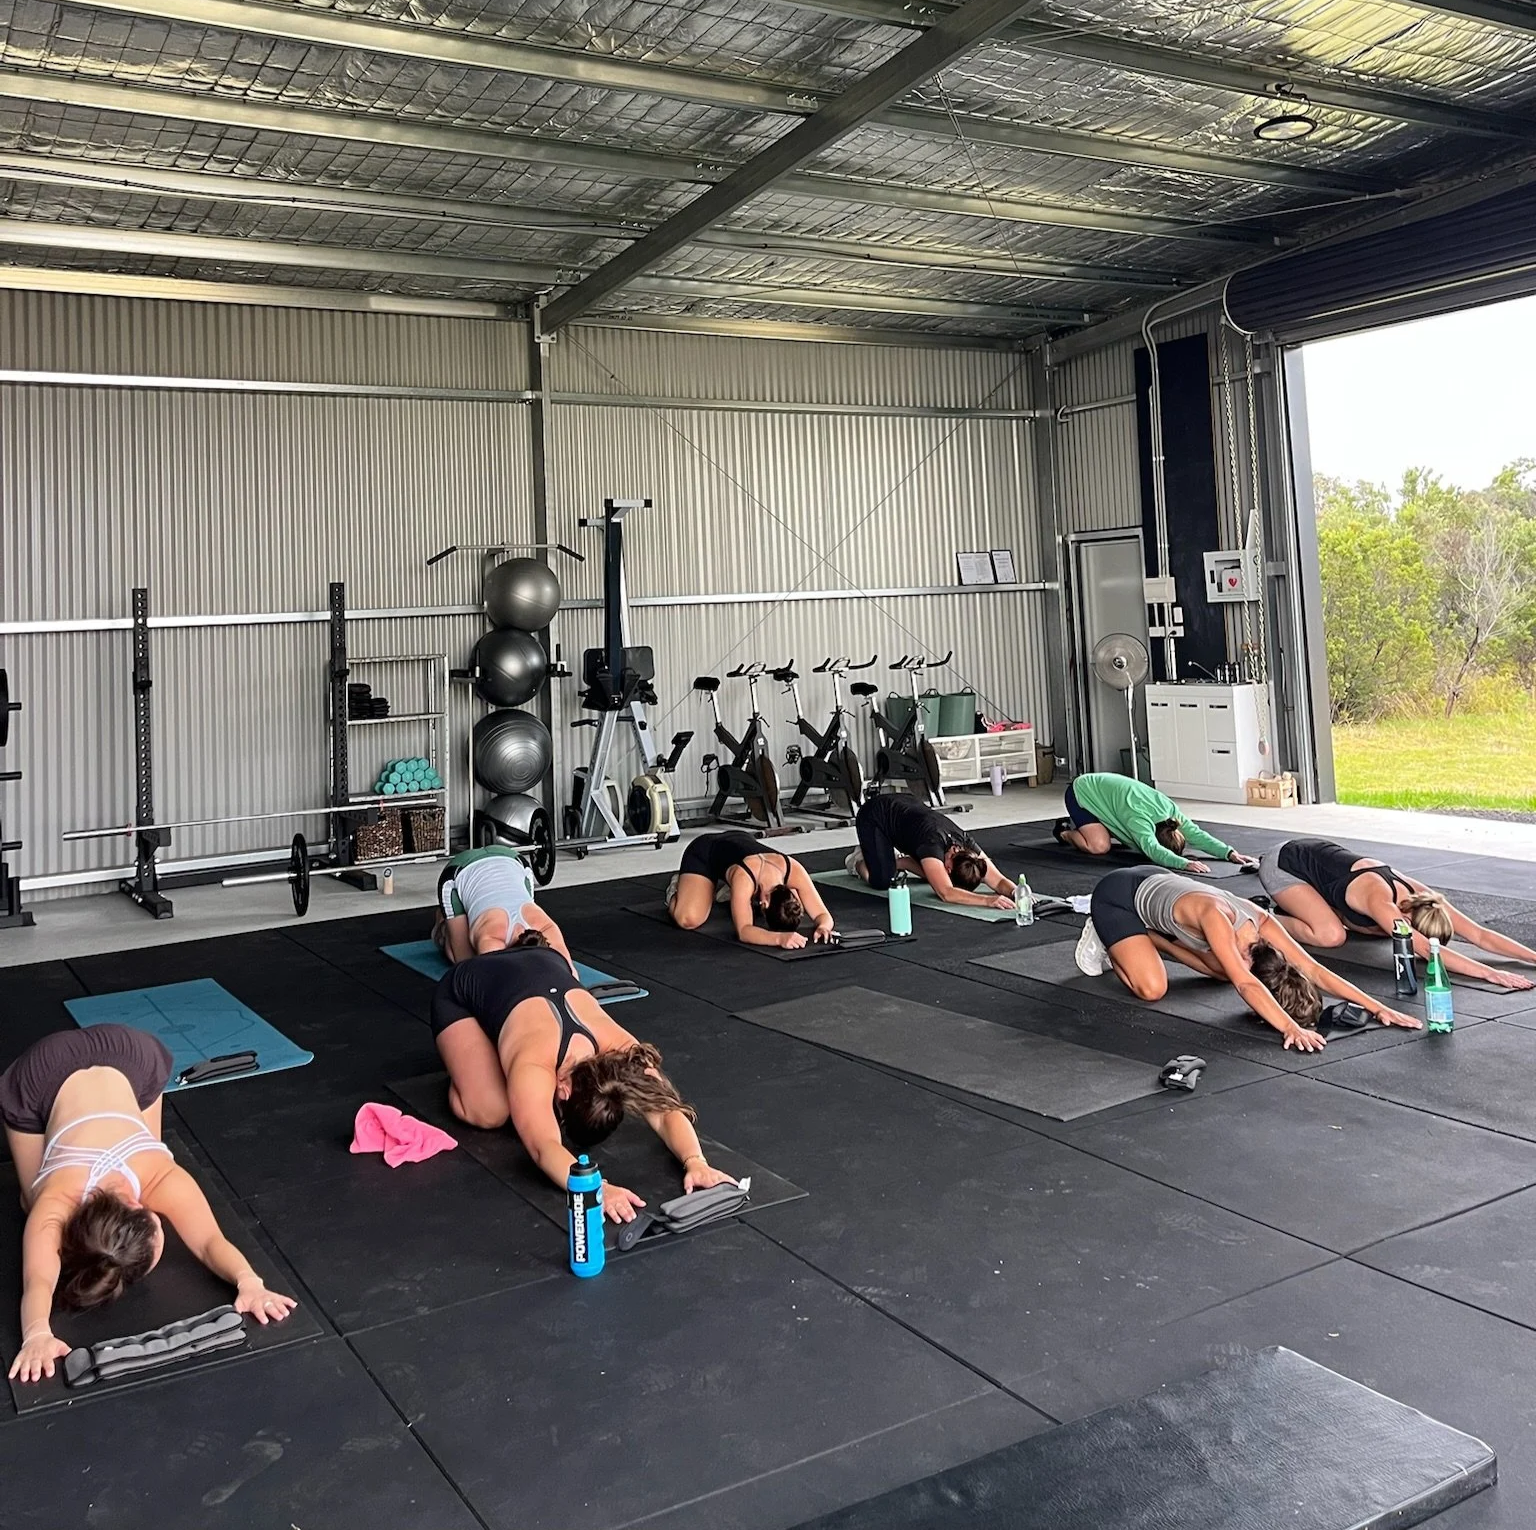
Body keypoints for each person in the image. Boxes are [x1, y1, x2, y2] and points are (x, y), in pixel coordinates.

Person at [2, 1025, 297, 1384]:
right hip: (46, 1074)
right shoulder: (56, 1199)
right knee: (27, 1201)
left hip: (124, 1057)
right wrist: (35, 1335)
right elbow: (38, 1279)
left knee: (40, 1204)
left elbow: (209, 1243)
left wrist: (250, 1282)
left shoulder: (156, 1175)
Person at [432, 936, 736, 1222]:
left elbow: (665, 1110)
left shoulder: (621, 1053)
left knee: (520, 1100)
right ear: (562, 1090)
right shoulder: (533, 1063)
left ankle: (492, 1044)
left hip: (544, 960)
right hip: (464, 986)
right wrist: (595, 1189)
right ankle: (471, 1057)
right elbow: (543, 1146)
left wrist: (696, 1162)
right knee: (490, 1111)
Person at [1076, 866, 1421, 1051]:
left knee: (1225, 970)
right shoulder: (1216, 920)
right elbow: (1244, 982)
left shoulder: (1262, 924)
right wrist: (1290, 1027)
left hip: (1158, 885)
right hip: (1119, 896)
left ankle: (1153, 939)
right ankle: (1109, 933)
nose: (1243, 966)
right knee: (1151, 989)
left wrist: (1377, 1007)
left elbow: (1312, 968)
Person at [1258, 837, 1536, 992]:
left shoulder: (1425, 899)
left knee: (1375, 929)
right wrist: (1491, 974)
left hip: (1316, 859)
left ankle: (1315, 906)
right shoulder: (1381, 901)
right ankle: (1263, 912)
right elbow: (1427, 949)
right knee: (1330, 935)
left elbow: (1480, 934)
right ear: (1412, 920)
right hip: (1283, 864)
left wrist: (1532, 957)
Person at [1055, 773, 1258, 875]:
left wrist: (1229, 853)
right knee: (1099, 846)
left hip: (1108, 794)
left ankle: (1104, 825)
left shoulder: (1170, 813)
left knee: (1128, 840)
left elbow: (1197, 834)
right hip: (1081, 792)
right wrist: (1183, 863)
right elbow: (1152, 849)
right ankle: (1065, 832)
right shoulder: (1138, 819)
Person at [666, 831, 837, 950]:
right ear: (764, 902)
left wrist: (824, 927)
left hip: (740, 846)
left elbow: (823, 915)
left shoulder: (795, 870)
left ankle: (731, 891)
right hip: (705, 851)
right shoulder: (744, 877)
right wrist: (779, 938)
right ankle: (679, 887)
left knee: (741, 897)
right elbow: (744, 930)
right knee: (688, 919)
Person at [849, 794, 1016, 909]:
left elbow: (999, 881)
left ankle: (900, 861)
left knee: (932, 875)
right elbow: (946, 893)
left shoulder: (967, 846)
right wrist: (987, 900)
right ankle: (859, 859)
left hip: (906, 809)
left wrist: (1017, 892)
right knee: (882, 881)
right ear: (949, 868)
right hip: (874, 815)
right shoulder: (932, 844)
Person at [433, 843, 573, 967]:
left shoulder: (548, 929)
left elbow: (571, 974)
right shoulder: (491, 941)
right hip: (459, 870)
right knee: (463, 962)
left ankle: (470, 917)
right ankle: (444, 926)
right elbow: (494, 986)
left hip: (515, 861)